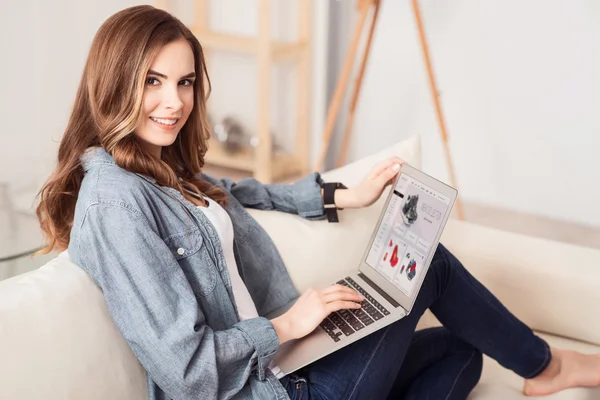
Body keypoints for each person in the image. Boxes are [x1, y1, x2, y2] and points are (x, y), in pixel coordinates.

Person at [35, 5, 600, 400]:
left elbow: (236, 193)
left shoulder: (162, 169)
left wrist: (341, 195)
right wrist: (287, 325)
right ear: (113, 81)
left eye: (184, 83)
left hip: (291, 367)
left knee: (460, 350)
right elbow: (188, 372)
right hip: (271, 391)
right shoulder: (117, 203)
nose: (172, 101)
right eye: (153, 81)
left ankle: (538, 365)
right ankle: (547, 366)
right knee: (427, 266)